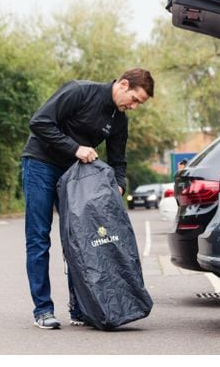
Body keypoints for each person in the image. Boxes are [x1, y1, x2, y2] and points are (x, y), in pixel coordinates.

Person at [21, 68, 154, 329]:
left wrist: (118, 187)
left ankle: (79, 309)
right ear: (123, 84)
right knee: (38, 237)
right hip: (40, 164)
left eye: (140, 103)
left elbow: (118, 160)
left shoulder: (119, 119)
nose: (135, 106)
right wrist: (75, 148)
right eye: (135, 99)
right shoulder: (80, 91)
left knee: (80, 240)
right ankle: (43, 310)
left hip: (75, 175)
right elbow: (39, 122)